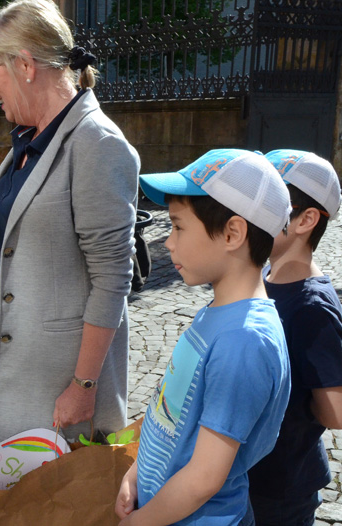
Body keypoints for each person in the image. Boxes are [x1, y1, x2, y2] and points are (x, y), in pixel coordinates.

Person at [0, 0, 140, 446]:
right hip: (16, 377)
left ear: (24, 65)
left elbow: (112, 277)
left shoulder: (97, 144)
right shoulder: (29, 139)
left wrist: (84, 386)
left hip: (64, 390)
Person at [116, 149, 293, 525]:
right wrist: (135, 476)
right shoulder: (219, 314)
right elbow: (172, 416)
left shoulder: (243, 341)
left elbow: (203, 479)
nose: (168, 242)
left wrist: (139, 522)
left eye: (178, 226)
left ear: (232, 233)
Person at [247, 150, 342, 526]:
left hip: (283, 485)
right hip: (252, 473)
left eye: (270, 206)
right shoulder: (265, 272)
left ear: (305, 219)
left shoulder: (312, 309)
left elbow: (334, 411)